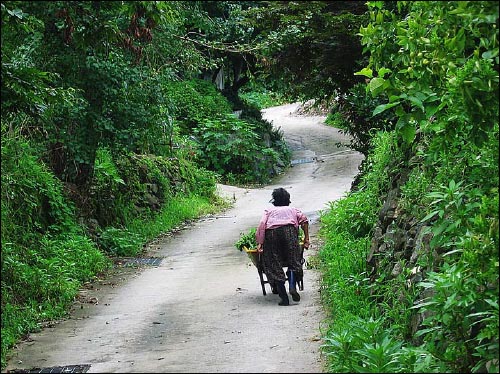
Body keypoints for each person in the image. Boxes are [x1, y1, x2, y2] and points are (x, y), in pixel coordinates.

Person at [256, 187, 310, 306]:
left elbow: (261, 225)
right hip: (289, 232)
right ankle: (292, 286)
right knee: (294, 260)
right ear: (288, 200)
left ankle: (283, 297)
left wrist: (260, 242)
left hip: (272, 234)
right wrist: (306, 238)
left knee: (273, 262)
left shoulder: (269, 211)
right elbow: (304, 221)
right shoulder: (293, 209)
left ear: (274, 200)